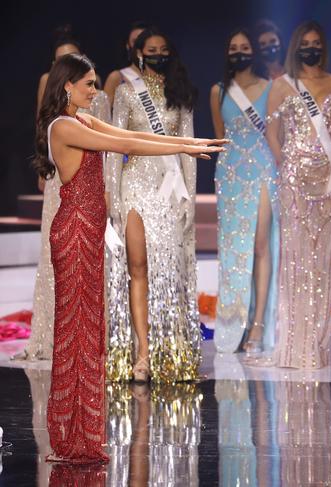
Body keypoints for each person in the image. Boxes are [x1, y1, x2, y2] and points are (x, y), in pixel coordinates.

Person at [33, 53, 221, 463]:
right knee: (76, 329)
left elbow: (139, 138)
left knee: (88, 327)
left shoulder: (81, 120)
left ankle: (80, 436)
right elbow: (127, 144)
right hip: (75, 230)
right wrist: (188, 146)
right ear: (68, 86)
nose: (96, 91)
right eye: (89, 84)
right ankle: (68, 436)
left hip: (87, 229)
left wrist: (186, 144)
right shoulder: (63, 127)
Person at [106, 27, 203, 383]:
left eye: (164, 49)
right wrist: (113, 199)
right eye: (152, 49)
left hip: (169, 187)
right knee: (139, 268)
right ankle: (142, 353)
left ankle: (170, 351)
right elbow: (115, 147)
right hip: (135, 187)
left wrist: (190, 198)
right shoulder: (126, 91)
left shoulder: (181, 93)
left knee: (169, 272)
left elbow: (189, 148)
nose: (158, 54)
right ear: (139, 53)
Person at [13, 27, 110, 362]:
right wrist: (44, 167)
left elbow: (115, 143)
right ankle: (52, 333)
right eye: (58, 61)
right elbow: (44, 123)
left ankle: (85, 338)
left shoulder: (94, 94)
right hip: (60, 174)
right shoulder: (49, 88)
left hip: (91, 177)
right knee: (55, 256)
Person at [265, 20, 331, 369]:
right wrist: (288, 163)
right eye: (306, 43)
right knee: (296, 258)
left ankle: (317, 344)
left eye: (317, 43)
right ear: (296, 47)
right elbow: (272, 133)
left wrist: (327, 164)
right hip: (294, 179)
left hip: (325, 179)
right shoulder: (282, 85)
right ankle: (296, 345)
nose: (311, 48)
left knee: (320, 256)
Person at [210, 29, 280, 354]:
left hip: (264, 169)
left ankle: (258, 324)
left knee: (260, 244)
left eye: (245, 46)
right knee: (235, 250)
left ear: (254, 51)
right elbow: (220, 137)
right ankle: (235, 322)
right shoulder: (219, 91)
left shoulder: (271, 88)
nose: (239, 52)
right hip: (231, 174)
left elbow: (276, 135)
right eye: (233, 47)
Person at [103, 21, 151, 104]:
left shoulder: (164, 77)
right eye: (135, 41)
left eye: (144, 41)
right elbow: (104, 113)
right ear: (128, 46)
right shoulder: (116, 77)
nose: (140, 45)